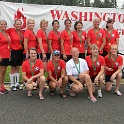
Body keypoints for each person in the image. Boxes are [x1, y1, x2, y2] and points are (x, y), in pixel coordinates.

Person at [6, 19, 24, 91]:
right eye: (17, 24)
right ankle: (12, 84)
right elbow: (3, 34)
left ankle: (17, 83)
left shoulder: (22, 32)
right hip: (13, 51)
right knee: (13, 67)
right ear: (14, 25)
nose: (18, 25)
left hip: (20, 51)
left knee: (18, 67)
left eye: (20, 24)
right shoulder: (10, 30)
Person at [0, 20, 10, 94]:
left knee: (4, 71)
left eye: (4, 24)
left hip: (7, 54)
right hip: (1, 54)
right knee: (1, 71)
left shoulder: (6, 33)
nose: (3, 25)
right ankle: (0, 87)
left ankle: (2, 86)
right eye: (1, 24)